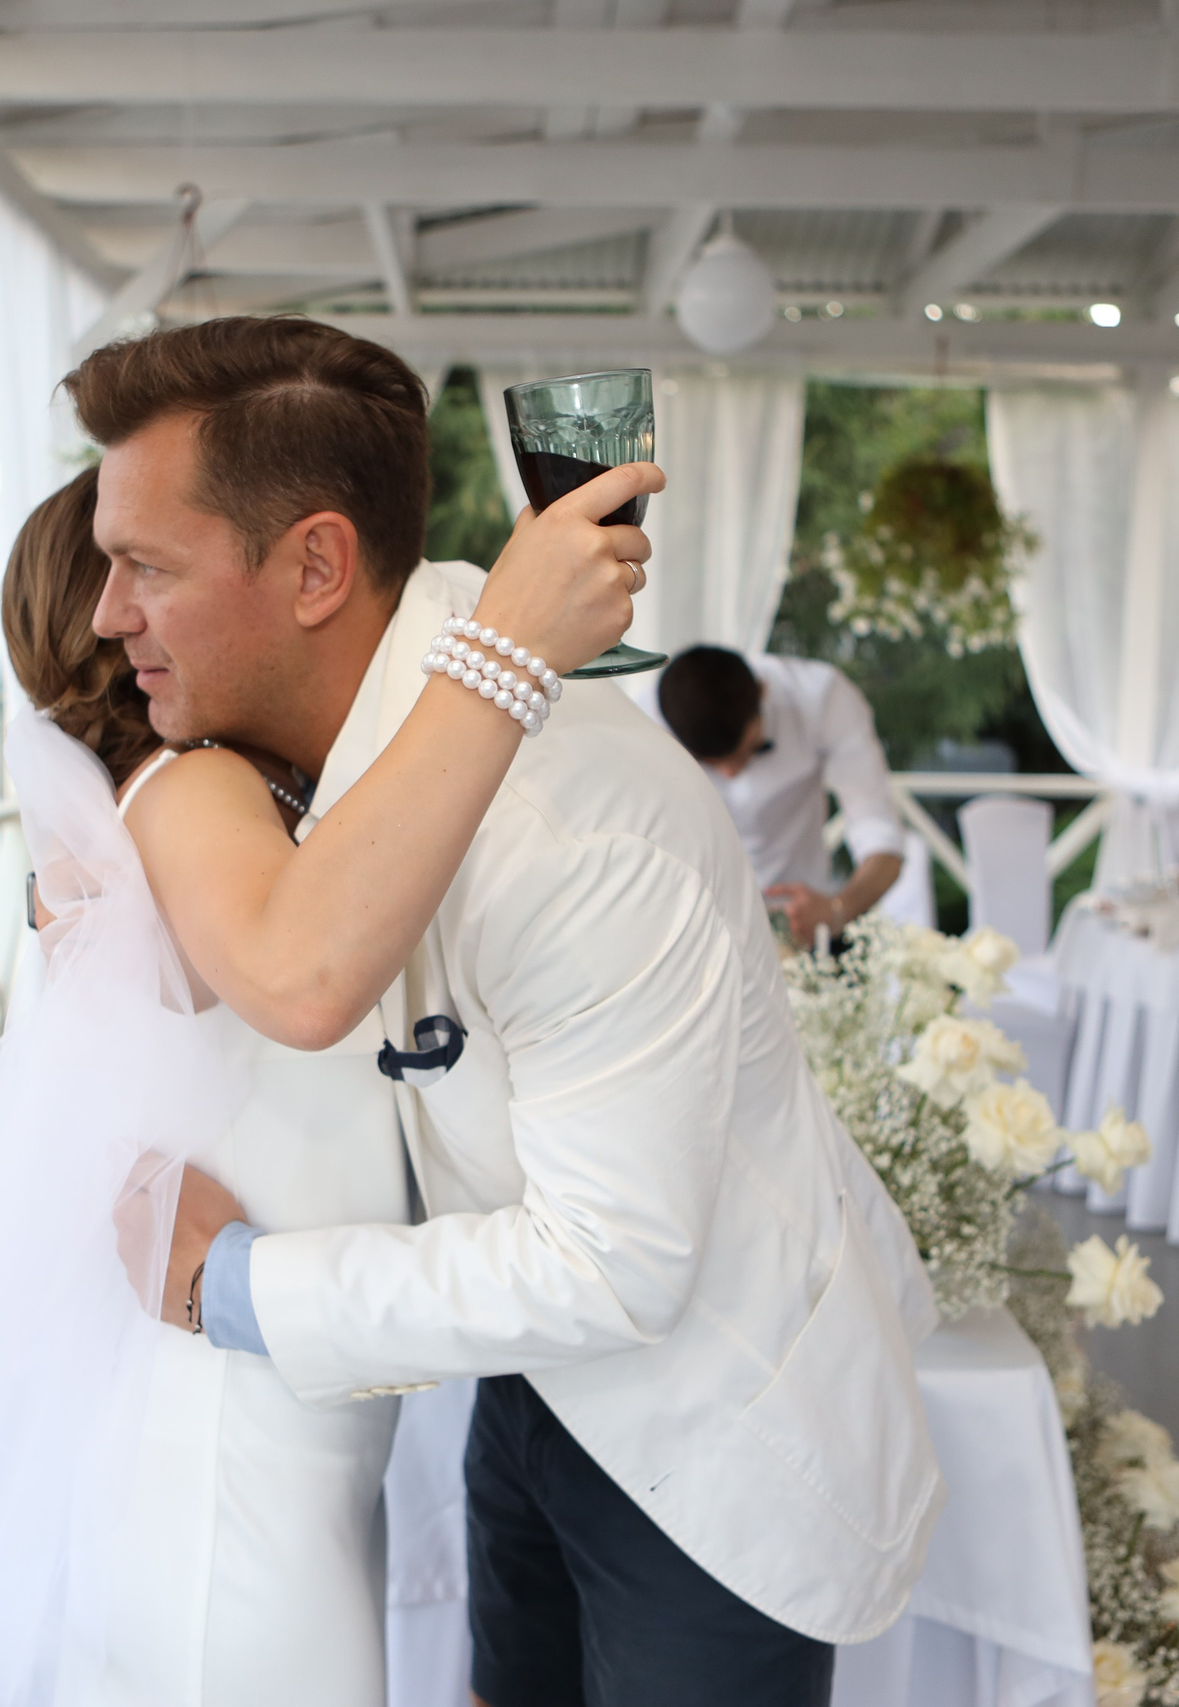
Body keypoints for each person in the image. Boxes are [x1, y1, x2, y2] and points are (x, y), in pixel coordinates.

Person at [0, 349, 648, 1707]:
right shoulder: (194, 789)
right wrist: (504, 650)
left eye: (154, 567)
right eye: (125, 573)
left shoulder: (184, 804)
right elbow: (303, 977)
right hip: (235, 1424)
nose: (133, 605)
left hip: (269, 1393)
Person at [92, 320, 943, 1707]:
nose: (105, 614)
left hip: (706, 1449)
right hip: (532, 1396)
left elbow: (613, 1265)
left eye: (145, 566)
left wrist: (226, 1285)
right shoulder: (328, 763)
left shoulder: (573, 826)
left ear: (313, 563)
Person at [639, 645, 905, 952]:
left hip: (808, 930)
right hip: (692, 937)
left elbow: (879, 833)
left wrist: (838, 909)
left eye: (749, 750)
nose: (731, 774)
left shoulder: (821, 697)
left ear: (763, 693)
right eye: (709, 764)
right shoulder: (640, 721)